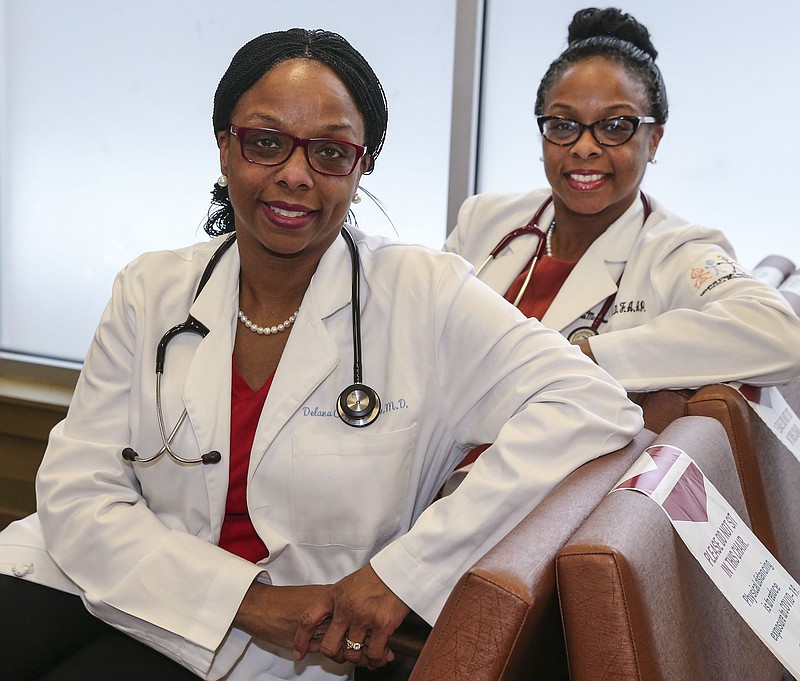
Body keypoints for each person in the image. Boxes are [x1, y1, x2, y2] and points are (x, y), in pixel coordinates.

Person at [0, 28, 642, 681]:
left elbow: (591, 404)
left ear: (362, 167)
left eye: (331, 151)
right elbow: (79, 490)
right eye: (267, 142)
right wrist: (250, 601)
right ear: (225, 148)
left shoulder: (424, 293)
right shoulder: (151, 289)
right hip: (98, 578)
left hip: (279, 650)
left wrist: (402, 572)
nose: (295, 175)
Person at [445, 7, 800, 394]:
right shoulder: (483, 221)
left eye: (615, 127)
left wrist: (582, 358)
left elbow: (779, 333)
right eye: (563, 125)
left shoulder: (674, 251)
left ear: (654, 141)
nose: (584, 148)